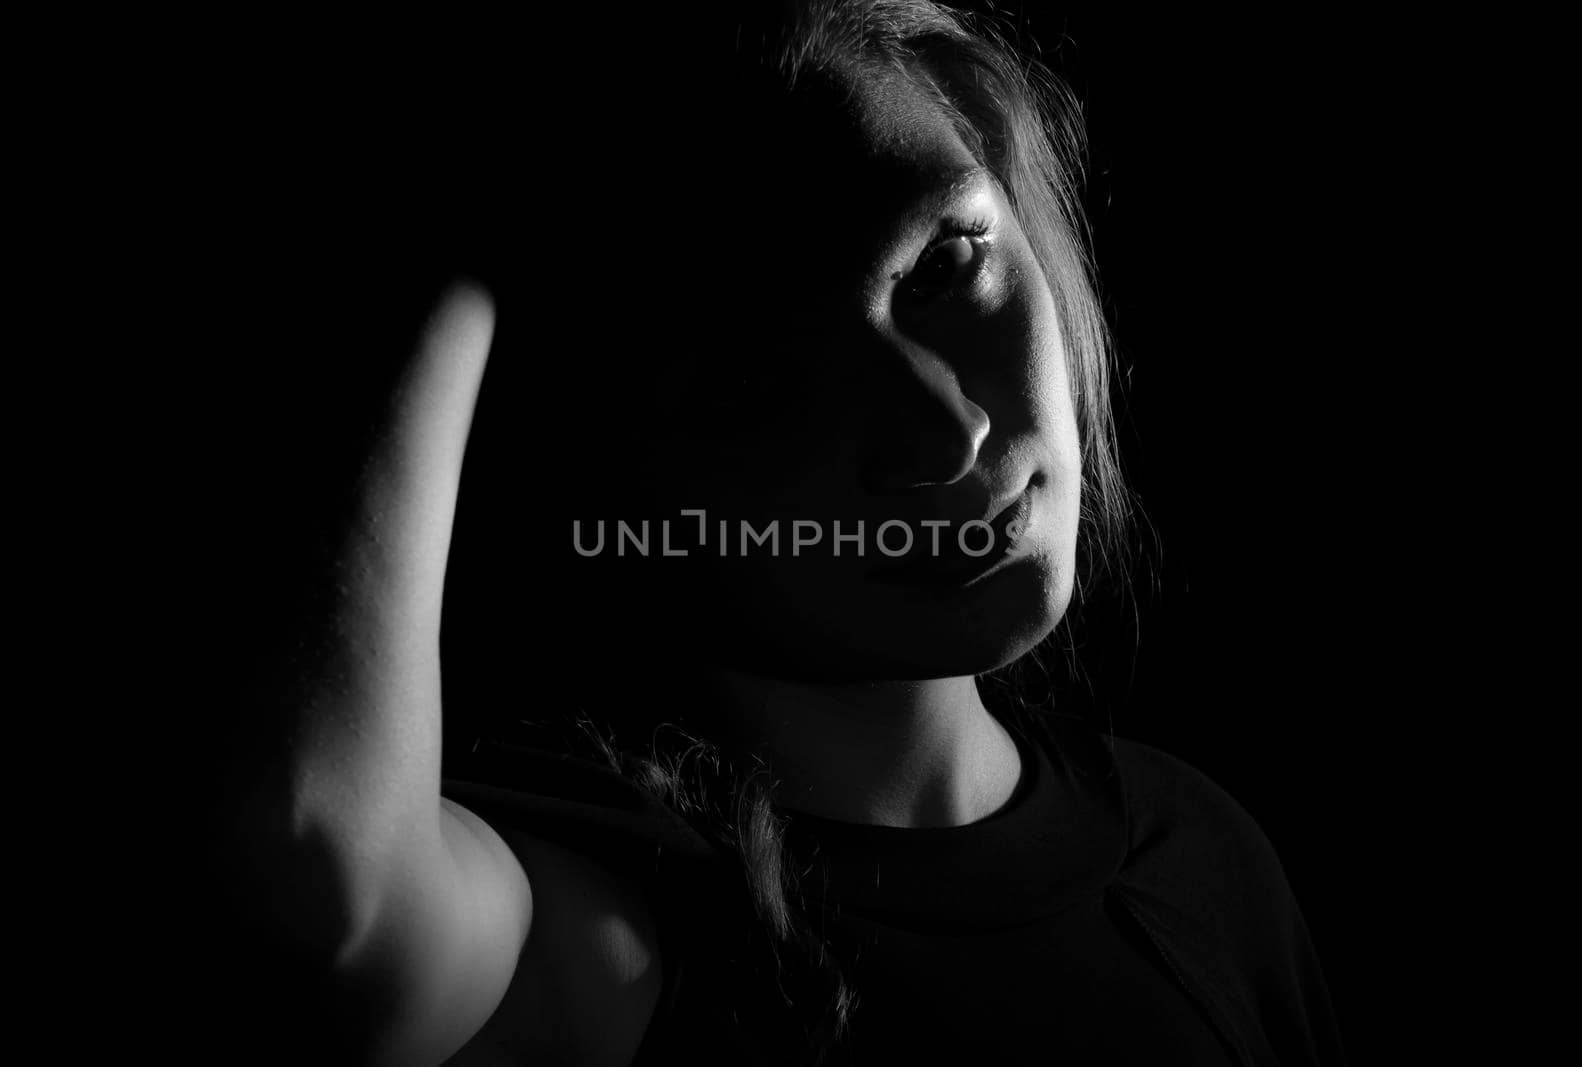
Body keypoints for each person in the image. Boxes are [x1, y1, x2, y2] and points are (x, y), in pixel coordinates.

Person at [207, 2, 1345, 1063]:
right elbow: (327, 899)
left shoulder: (1202, 858)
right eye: (764, 386)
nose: (941, 432)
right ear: (622, 485)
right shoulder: (631, 911)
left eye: (946, 266)